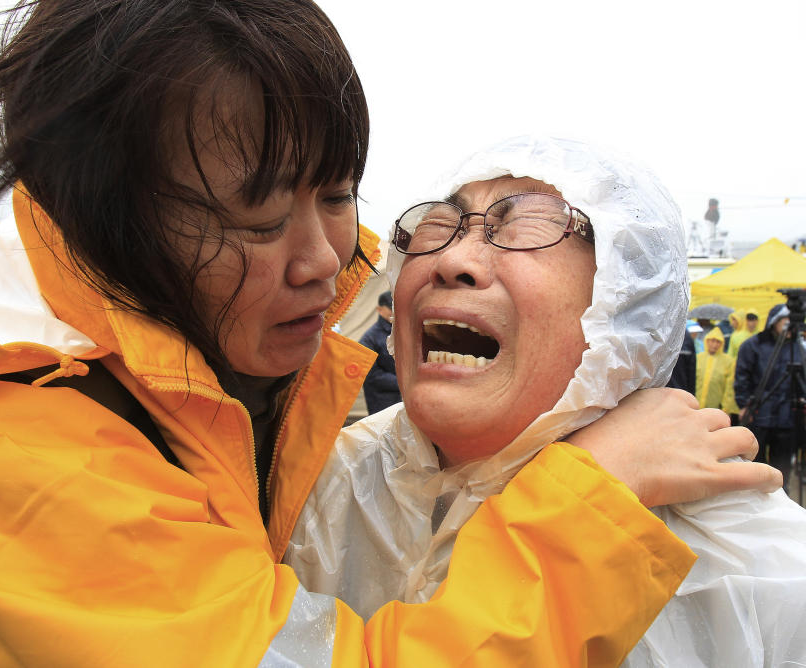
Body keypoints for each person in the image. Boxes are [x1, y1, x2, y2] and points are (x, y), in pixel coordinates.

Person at [0, 7, 779, 665]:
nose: (330, 259)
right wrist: (597, 503)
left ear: (630, 310)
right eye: (254, 220)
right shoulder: (6, 465)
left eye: (338, 193)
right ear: (106, 228)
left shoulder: (751, 559)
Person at [286, 136, 798, 667]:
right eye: (439, 226)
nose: (453, 259)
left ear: (625, 304)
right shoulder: (309, 482)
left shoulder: (754, 562)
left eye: (526, 228)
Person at [735, 303, 799, 489]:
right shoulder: (753, 345)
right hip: (760, 413)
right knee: (758, 464)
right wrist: (744, 404)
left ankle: (782, 493)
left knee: (782, 467)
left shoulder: (796, 347)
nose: (790, 327)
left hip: (786, 417)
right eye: (786, 322)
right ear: (775, 322)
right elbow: (742, 377)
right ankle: (758, 494)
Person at [358, 290, 402, 414]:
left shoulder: (402, 330)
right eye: (390, 308)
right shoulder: (369, 338)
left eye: (396, 307)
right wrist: (403, 382)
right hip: (381, 402)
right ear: (379, 309)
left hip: (404, 400)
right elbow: (371, 375)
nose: (394, 311)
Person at [694, 327, 739, 416]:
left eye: (718, 342)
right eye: (712, 341)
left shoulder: (728, 361)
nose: (715, 344)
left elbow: (729, 387)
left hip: (716, 409)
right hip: (694, 406)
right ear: (707, 341)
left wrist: (726, 408)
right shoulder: (698, 358)